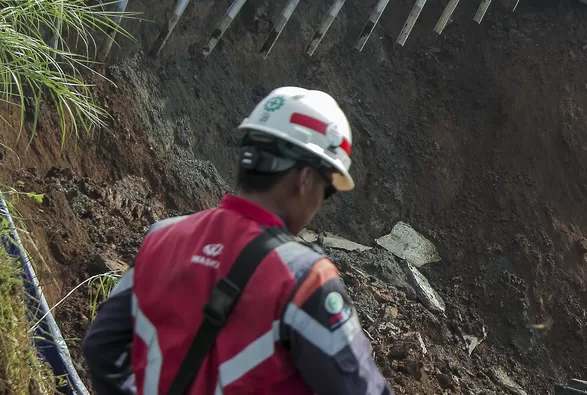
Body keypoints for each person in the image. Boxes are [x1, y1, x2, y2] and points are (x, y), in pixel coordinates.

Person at [83, 87, 393, 395]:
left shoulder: (162, 237)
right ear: (305, 179)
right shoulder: (305, 279)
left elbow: (101, 348)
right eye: (328, 191)